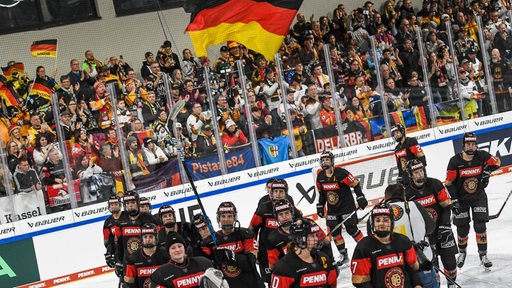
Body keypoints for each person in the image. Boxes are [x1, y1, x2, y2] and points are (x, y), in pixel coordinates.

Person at [445, 132, 501, 270]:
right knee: (463, 229)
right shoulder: (454, 161)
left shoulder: (482, 155)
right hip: (461, 199)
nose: (471, 146)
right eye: (468, 144)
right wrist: (454, 200)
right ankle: (462, 253)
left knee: (480, 226)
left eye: (473, 144)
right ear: (463, 145)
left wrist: (488, 171)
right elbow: (448, 183)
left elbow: (497, 162)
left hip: (478, 197)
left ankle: (483, 255)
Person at [405, 159, 459, 286]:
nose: (420, 175)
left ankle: (452, 285)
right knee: (433, 269)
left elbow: (446, 207)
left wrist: (445, 226)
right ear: (411, 175)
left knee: (450, 264)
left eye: (421, 171)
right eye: (416, 173)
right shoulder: (407, 194)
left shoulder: (435, 184)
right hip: (425, 237)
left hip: (442, 229)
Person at [351, 202, 423, 288]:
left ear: (392, 222)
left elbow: (411, 270)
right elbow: (361, 282)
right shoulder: (364, 247)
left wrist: (417, 284)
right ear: (372, 223)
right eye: (377, 220)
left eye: (385, 220)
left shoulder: (403, 241)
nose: (381, 224)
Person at [316, 151, 368, 266]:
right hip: (332, 210)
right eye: (323, 160)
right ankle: (344, 255)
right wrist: (320, 205)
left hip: (346, 207)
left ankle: (366, 249)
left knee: (352, 230)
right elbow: (322, 194)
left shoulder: (341, 173)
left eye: (327, 160)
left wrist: (360, 197)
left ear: (332, 161)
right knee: (335, 233)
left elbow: (355, 184)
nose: (324, 162)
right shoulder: (320, 177)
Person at [385, 184, 438, 288]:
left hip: (394, 270)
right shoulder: (415, 205)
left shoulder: (378, 214)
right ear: (404, 197)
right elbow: (431, 228)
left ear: (385, 198)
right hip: (421, 262)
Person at [249, 179, 300, 284]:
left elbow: (300, 223)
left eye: (281, 191)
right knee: (271, 280)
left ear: (286, 193)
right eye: (275, 191)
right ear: (270, 193)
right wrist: (253, 249)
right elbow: (252, 229)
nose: (278, 194)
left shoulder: (290, 205)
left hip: (287, 248)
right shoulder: (263, 207)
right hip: (266, 251)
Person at [202, 201, 263, 288]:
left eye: (230, 216)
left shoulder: (246, 234)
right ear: (218, 219)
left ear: (235, 218)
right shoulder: (210, 242)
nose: (226, 219)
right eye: (223, 216)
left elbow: (251, 262)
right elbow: (203, 264)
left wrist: (231, 256)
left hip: (252, 284)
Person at [270, 218, 338, 288]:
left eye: (316, 235)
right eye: (312, 236)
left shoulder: (324, 259)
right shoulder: (284, 267)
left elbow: (332, 284)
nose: (316, 239)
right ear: (300, 238)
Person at [115, 191, 159, 282]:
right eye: (127, 203)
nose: (130, 205)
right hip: (128, 262)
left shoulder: (149, 218)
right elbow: (119, 244)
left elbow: (159, 239)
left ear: (138, 203)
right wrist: (118, 261)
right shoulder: (120, 221)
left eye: (133, 203)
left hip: (148, 261)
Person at [149, 233, 218, 288]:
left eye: (179, 246)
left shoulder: (203, 263)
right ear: (168, 252)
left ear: (184, 248)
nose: (177, 250)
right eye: (173, 248)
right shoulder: (161, 274)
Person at [125, 223, 169, 288]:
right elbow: (129, 282)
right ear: (141, 239)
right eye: (145, 237)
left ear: (156, 238)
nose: (148, 239)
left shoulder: (166, 254)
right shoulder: (133, 258)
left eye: (151, 237)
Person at [103, 195, 123, 278]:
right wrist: (109, 253)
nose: (114, 206)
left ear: (120, 205)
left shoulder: (126, 216)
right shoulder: (108, 222)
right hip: (118, 254)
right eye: (112, 205)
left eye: (115, 204)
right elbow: (108, 241)